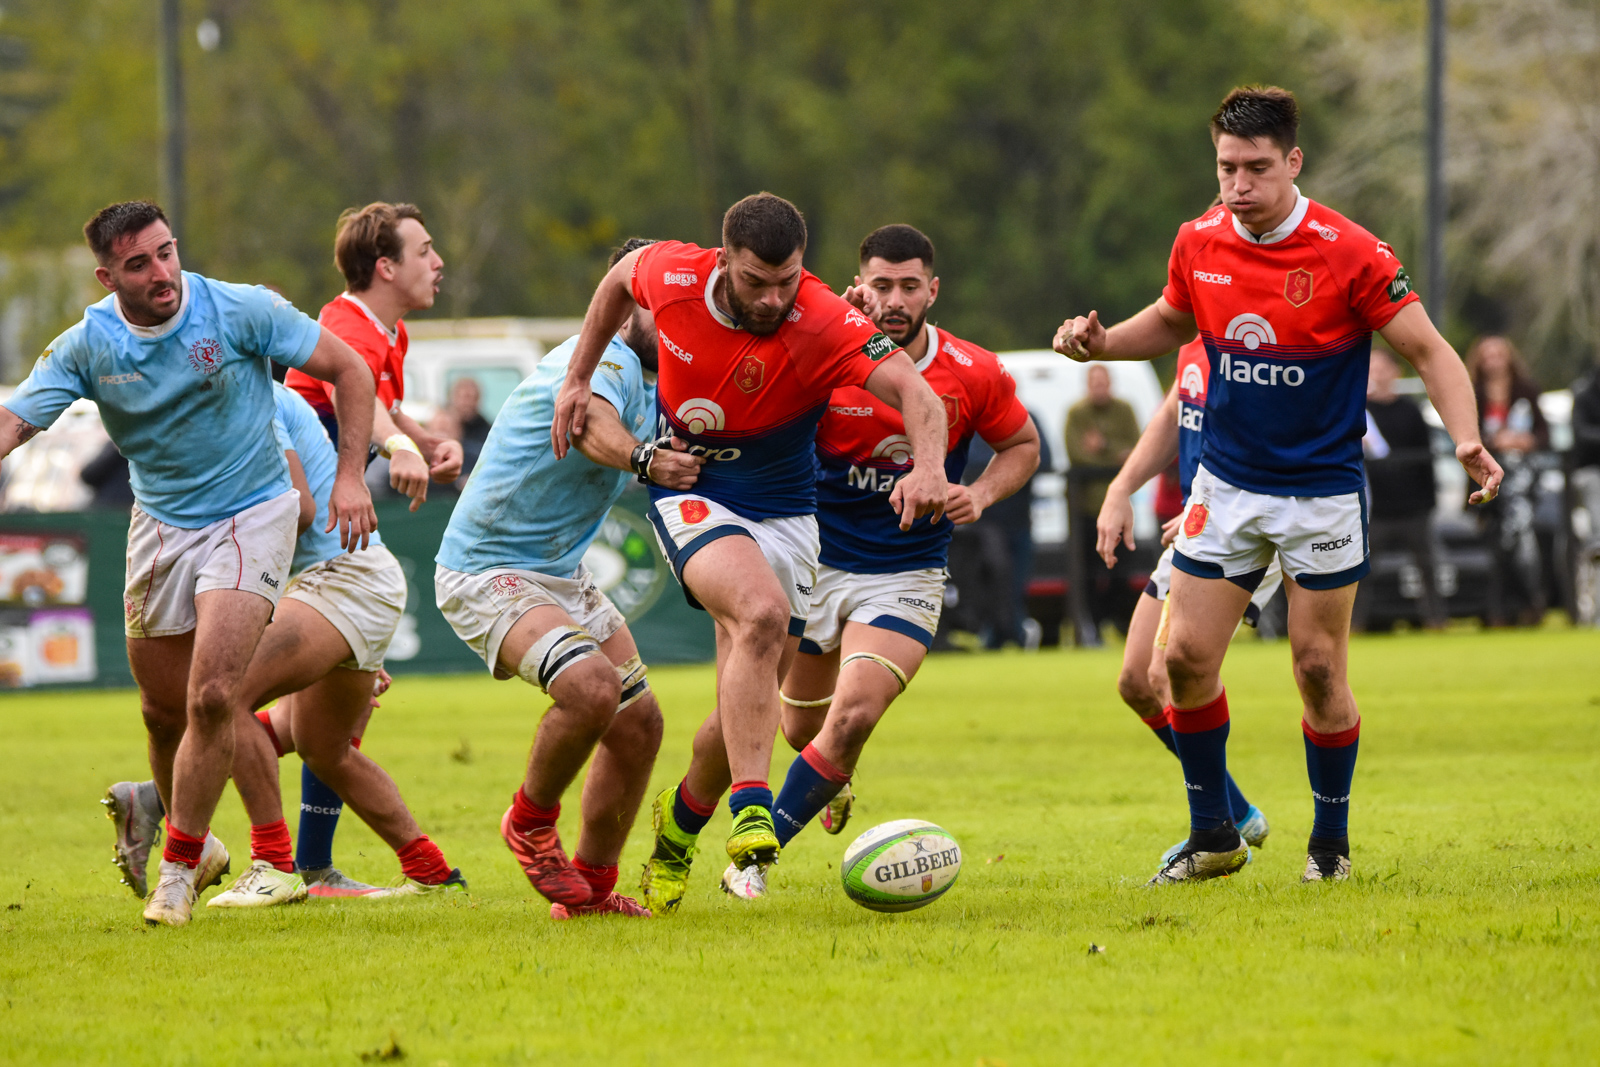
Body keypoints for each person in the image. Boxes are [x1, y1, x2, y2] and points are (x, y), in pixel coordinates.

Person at [1055, 86, 1502, 885]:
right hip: (1225, 487)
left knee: (1318, 668)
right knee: (1185, 659)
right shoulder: (1199, 240)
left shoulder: (1352, 252)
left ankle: (1329, 847)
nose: (1238, 185)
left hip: (1322, 492)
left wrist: (1466, 436)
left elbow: (1431, 351)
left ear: (1294, 162)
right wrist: (1104, 345)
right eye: (1227, 167)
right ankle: (1214, 835)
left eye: (1257, 168)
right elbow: (1170, 317)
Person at [550, 193, 949, 912]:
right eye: (755, 281)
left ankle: (675, 829)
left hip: (790, 515)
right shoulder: (670, 274)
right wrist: (578, 376)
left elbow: (921, 397)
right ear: (723, 257)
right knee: (761, 614)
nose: (772, 298)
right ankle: (753, 812)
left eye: (786, 280)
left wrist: (928, 467)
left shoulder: (826, 317)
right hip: (695, 491)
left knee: (736, 713)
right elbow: (615, 283)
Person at [3, 200, 377, 926]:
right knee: (161, 708)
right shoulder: (88, 344)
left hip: (255, 511)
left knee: (212, 695)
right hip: (161, 525)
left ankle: (176, 869)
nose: (161, 272)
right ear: (107, 276)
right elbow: (16, 420)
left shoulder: (236, 309)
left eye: (167, 252)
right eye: (139, 263)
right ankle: (198, 845)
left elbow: (349, 368)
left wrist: (353, 475)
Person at [719, 224, 1038, 899]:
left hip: (905, 570)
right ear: (860, 284)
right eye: (881, 285)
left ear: (933, 289)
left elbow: (1023, 445)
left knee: (854, 715)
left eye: (909, 286)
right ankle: (832, 774)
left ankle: (752, 861)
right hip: (815, 565)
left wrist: (978, 492)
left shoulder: (974, 370)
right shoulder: (821, 355)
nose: (895, 299)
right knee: (802, 726)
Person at [110, 382, 467, 908]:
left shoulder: (249, 396)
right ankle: (430, 872)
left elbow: (294, 505)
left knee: (222, 695)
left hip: (336, 579)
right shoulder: (244, 390)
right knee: (325, 748)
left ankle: (273, 864)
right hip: (356, 581)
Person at [436, 238, 701, 919]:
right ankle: (528, 819)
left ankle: (591, 888)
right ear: (623, 305)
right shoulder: (603, 361)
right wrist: (644, 458)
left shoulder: (656, 377)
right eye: (661, 306)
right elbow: (590, 428)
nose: (677, 319)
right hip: (487, 567)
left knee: (639, 724)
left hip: (559, 572)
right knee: (592, 689)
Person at [278, 202, 462, 893]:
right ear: (384, 266)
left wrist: (425, 435)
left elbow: (381, 400)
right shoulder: (343, 324)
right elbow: (351, 391)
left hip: (330, 542)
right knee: (291, 716)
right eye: (424, 250)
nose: (437, 261)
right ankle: (280, 856)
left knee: (321, 723)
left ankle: (315, 867)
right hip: (310, 544)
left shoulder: (389, 331)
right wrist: (399, 443)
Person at [1098, 339, 1277, 865]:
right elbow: (1176, 406)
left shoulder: (1255, 341)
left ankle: (1218, 831)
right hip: (1196, 526)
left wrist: (1209, 507)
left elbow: (1275, 439)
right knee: (1135, 682)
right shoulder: (1193, 341)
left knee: (1163, 673)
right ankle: (1238, 812)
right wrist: (1120, 488)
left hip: (1236, 528)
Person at [1353, 345, 1445, 630]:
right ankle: (1354, 624)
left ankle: (1436, 620)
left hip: (1413, 507)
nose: (1378, 375)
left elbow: (1426, 460)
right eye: (1373, 368)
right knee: (1362, 570)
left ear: (1396, 373)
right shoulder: (1359, 413)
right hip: (1376, 509)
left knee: (1428, 567)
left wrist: (1429, 501)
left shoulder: (1411, 411)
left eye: (1383, 368)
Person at [1466, 335, 1550, 625]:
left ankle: (1531, 606)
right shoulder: (1473, 394)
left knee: (1524, 544)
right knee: (1493, 548)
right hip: (1486, 478)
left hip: (1522, 483)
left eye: (1499, 354)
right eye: (1487, 355)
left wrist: (1525, 441)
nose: (1494, 361)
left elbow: (1544, 434)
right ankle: (1495, 611)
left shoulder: (1526, 390)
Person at [1065, 364, 1141, 636]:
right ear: (1088, 385)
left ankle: (1124, 626)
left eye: (1103, 382)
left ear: (1110, 383)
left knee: (1123, 572)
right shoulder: (1077, 413)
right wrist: (1115, 455)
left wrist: (1102, 447)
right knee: (1087, 573)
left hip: (1122, 510)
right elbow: (1077, 455)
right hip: (1085, 509)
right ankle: (1091, 628)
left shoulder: (1125, 410)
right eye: (1094, 383)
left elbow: (1137, 451)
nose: (1099, 387)